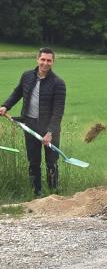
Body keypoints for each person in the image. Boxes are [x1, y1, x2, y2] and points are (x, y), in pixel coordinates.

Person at [0, 47, 66, 196]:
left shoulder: (58, 83)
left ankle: (53, 194)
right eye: (43, 59)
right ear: (37, 59)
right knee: (34, 161)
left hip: (50, 129)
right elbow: (17, 93)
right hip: (30, 125)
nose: (45, 63)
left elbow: (58, 111)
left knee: (51, 162)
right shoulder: (27, 76)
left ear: (53, 62)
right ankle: (35, 193)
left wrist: (50, 132)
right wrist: (5, 106)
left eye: (49, 60)